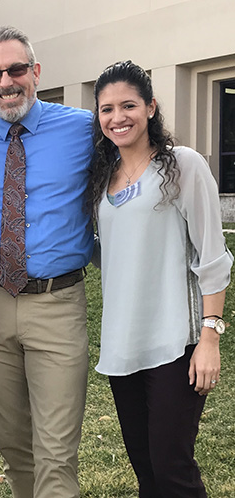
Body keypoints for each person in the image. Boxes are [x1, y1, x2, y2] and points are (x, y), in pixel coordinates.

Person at [89, 60, 233, 498]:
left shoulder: (183, 165)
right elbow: (110, 255)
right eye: (107, 109)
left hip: (177, 342)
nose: (118, 118)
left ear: (150, 107)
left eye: (128, 105)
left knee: (173, 470)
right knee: (147, 471)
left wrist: (210, 337)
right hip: (122, 344)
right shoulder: (102, 179)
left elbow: (214, 256)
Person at [0, 26, 94, 498]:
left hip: (57, 303)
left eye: (16, 69)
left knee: (57, 452)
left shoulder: (84, 127)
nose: (7, 81)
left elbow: (142, 147)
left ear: (36, 73)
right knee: (14, 447)